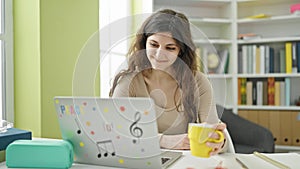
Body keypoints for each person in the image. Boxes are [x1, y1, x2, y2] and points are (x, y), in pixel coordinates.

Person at [109, 9, 228, 156]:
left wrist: (218, 142)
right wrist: (164, 141)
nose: (159, 54)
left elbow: (214, 134)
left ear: (180, 51)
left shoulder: (198, 81)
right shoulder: (128, 82)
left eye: (170, 48)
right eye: (153, 44)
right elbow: (116, 134)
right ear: (144, 42)